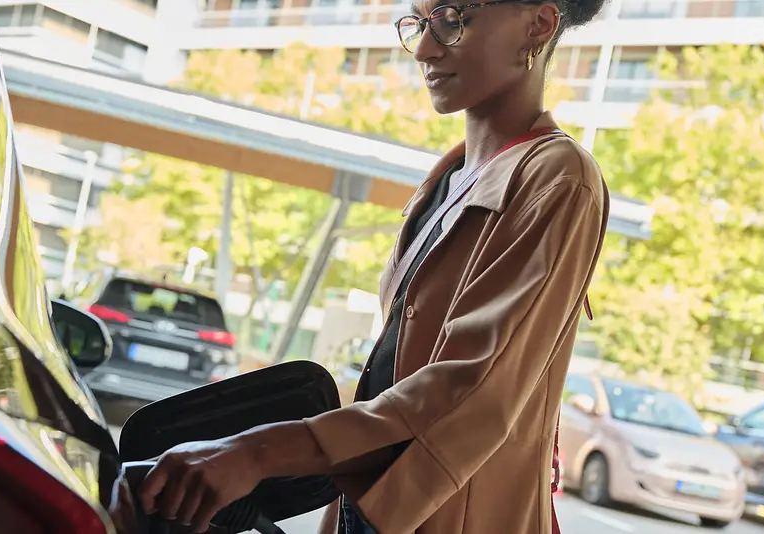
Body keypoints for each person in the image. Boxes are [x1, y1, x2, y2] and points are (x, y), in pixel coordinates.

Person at [136, 0, 611, 532]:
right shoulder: (448, 177)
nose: (427, 49)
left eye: (454, 20)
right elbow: (391, 378)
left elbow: (471, 388)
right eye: (420, 23)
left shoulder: (558, 179)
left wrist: (256, 453)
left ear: (538, 24)